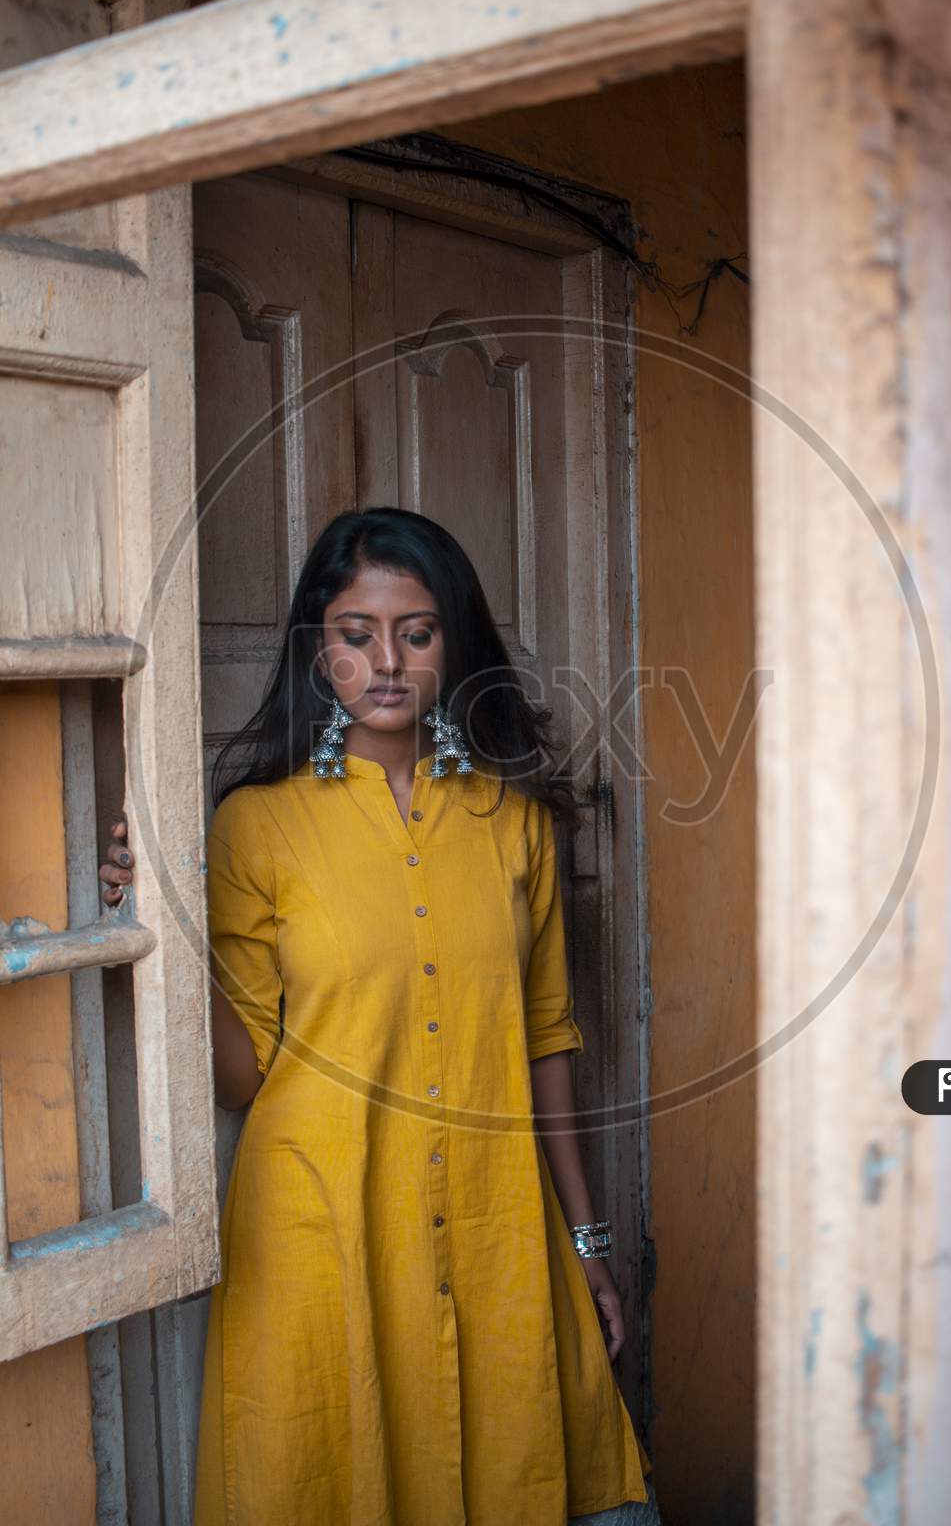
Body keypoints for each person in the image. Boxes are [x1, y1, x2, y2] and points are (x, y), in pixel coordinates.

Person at [101, 507, 661, 1526]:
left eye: (416, 630)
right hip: (323, 1232)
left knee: (536, 1467)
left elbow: (545, 1038)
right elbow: (241, 1077)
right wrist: (163, 925)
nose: (387, 661)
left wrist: (585, 1236)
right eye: (357, 634)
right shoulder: (254, 824)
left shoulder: (513, 821)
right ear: (320, 650)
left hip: (497, 1229)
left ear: (454, 642)